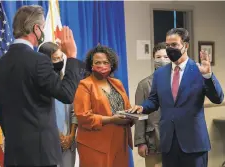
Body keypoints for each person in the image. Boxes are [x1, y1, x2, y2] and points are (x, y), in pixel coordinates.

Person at [0, 5, 83, 167]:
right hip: (41, 155)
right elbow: (66, 94)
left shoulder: (0, 65)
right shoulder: (39, 61)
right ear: (36, 28)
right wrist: (72, 56)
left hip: (14, 154)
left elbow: (0, 111)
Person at [129, 28, 224, 167]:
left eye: (174, 45)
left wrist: (208, 76)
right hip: (168, 143)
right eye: (167, 45)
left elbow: (218, 98)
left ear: (185, 46)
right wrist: (142, 107)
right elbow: (154, 100)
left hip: (194, 143)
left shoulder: (199, 70)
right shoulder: (160, 74)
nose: (169, 48)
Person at [73, 45, 140, 167]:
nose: (102, 66)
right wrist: (111, 119)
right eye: (97, 62)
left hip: (119, 142)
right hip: (95, 145)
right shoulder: (85, 85)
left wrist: (133, 113)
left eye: (105, 62)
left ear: (111, 65)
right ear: (91, 65)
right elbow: (83, 117)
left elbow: (126, 107)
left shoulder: (117, 83)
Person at [38, 42, 85, 167]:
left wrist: (71, 135)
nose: (59, 62)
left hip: (69, 140)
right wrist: (58, 136)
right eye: (55, 59)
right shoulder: (41, 84)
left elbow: (75, 110)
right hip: (49, 140)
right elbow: (43, 113)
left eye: (61, 58)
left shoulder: (67, 81)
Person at [134, 42, 170, 167]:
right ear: (153, 59)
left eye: (166, 57)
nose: (162, 60)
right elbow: (139, 116)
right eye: (158, 57)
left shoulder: (177, 81)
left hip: (175, 140)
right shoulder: (144, 84)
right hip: (153, 139)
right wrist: (141, 142)